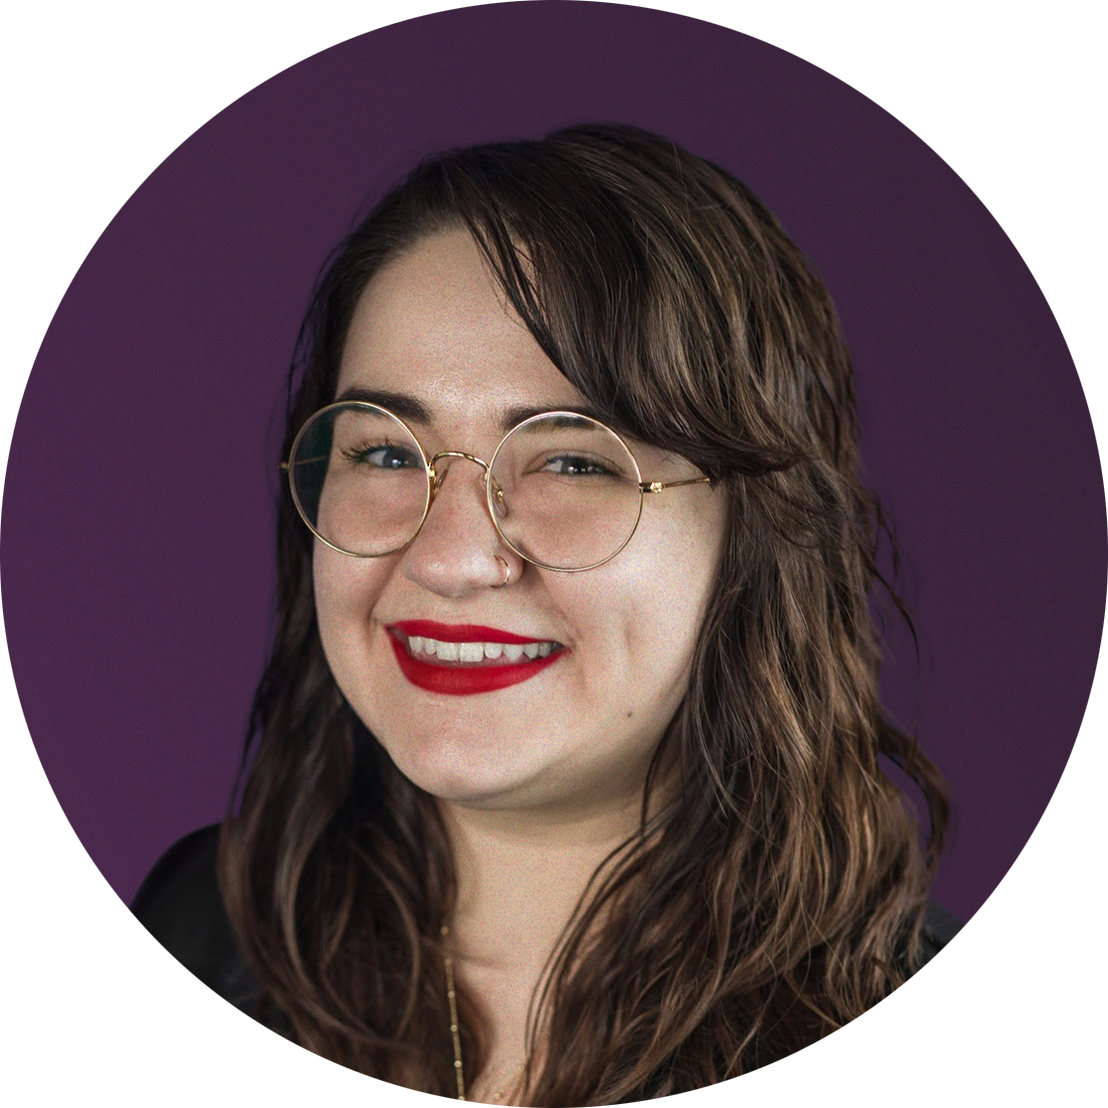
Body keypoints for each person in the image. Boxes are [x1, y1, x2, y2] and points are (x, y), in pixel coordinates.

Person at [133, 123, 957, 1105]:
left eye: (573, 459)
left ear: (757, 531)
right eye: (387, 454)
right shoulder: (199, 933)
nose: (446, 558)